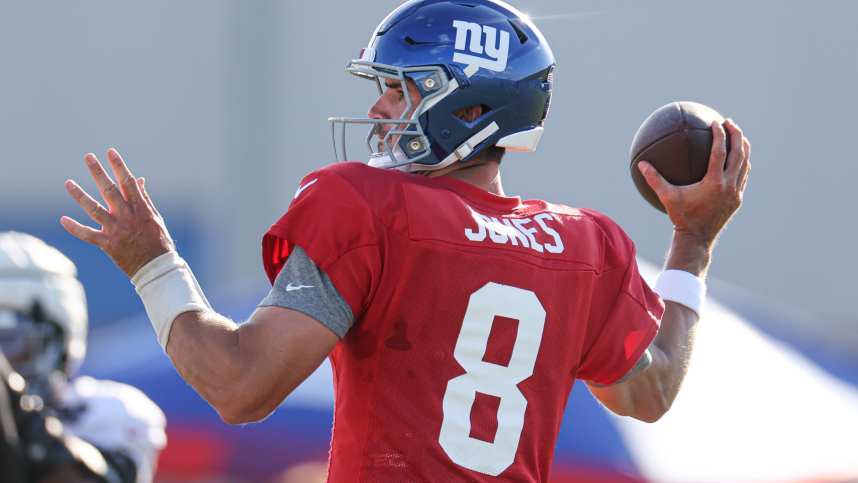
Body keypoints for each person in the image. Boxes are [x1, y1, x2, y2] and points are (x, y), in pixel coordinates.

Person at [59, 0, 751, 481]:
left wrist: (153, 264)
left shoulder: (368, 208)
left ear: (472, 108)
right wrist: (692, 240)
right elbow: (651, 391)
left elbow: (241, 386)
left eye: (400, 89)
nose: (378, 110)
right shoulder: (586, 245)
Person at [0, 232, 167, 483]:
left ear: (56, 340)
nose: (5, 359)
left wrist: (12, 404)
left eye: (9, 342)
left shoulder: (105, 411)